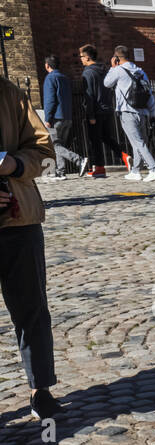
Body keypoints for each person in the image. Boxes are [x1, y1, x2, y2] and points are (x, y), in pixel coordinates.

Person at [1, 76, 60, 423]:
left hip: (18, 221)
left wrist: (15, 165)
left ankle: (41, 389)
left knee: (32, 309)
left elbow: (44, 150)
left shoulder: (10, 95)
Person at [104, 48, 155, 182]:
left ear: (116, 58)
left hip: (127, 111)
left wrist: (112, 68)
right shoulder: (141, 72)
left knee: (138, 142)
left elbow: (107, 83)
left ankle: (153, 169)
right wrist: (153, 114)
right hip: (142, 111)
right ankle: (136, 171)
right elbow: (149, 95)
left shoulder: (118, 70)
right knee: (137, 142)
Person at [41, 55, 88, 180]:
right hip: (67, 116)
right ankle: (60, 172)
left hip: (56, 117)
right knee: (59, 145)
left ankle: (79, 160)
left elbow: (50, 100)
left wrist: (47, 118)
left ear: (47, 65)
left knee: (55, 145)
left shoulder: (50, 78)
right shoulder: (64, 78)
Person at [79, 45, 123, 177]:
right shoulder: (104, 70)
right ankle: (125, 156)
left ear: (87, 57)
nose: (80, 59)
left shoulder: (88, 72)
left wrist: (90, 114)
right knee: (107, 137)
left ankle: (99, 167)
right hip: (108, 109)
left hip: (96, 111)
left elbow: (89, 96)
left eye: (81, 56)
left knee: (95, 140)